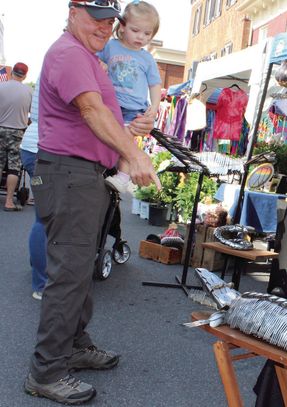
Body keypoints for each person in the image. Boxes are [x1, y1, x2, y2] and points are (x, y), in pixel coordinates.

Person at [23, 1, 160, 405]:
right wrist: (133, 154)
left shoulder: (86, 55)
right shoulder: (69, 53)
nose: (104, 26)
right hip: (69, 175)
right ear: (73, 11)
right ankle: (46, 371)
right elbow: (90, 109)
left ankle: (74, 346)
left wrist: (130, 130)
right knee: (69, 274)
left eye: (109, 20)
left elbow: (100, 114)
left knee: (79, 269)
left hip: (82, 175)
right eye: (96, 17)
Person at [97, 0, 161, 194]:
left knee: (126, 142)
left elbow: (155, 84)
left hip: (134, 109)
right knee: (106, 135)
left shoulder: (147, 58)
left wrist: (155, 106)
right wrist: (100, 64)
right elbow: (94, 59)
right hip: (110, 104)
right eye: (136, 30)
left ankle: (123, 177)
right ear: (122, 26)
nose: (141, 37)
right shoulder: (110, 47)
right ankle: (104, 167)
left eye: (147, 33)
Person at [19, 77, 47, 300]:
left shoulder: (54, 60)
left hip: (32, 148)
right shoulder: (68, 61)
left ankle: (38, 262)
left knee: (43, 216)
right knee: (46, 218)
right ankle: (41, 282)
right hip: (43, 151)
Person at [0, 62, 32, 211]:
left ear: (12, 72)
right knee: (13, 168)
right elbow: (31, 115)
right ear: (25, 76)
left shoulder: (1, 87)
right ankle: (8, 202)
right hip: (17, 132)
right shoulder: (28, 91)